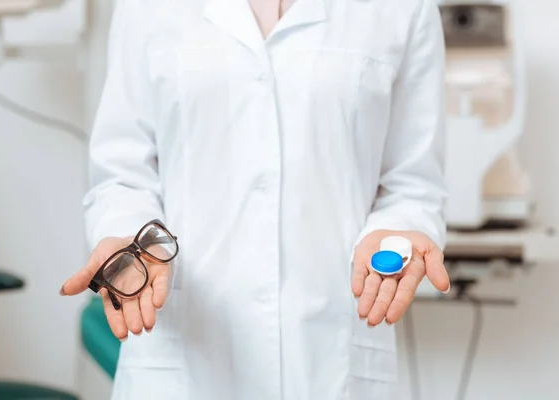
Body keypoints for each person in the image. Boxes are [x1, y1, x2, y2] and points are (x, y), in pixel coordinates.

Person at [60, 0, 451, 398]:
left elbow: (412, 182)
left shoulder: (404, 9)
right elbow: (123, 175)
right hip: (184, 361)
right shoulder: (147, 8)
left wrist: (397, 234)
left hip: (331, 358)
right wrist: (131, 242)